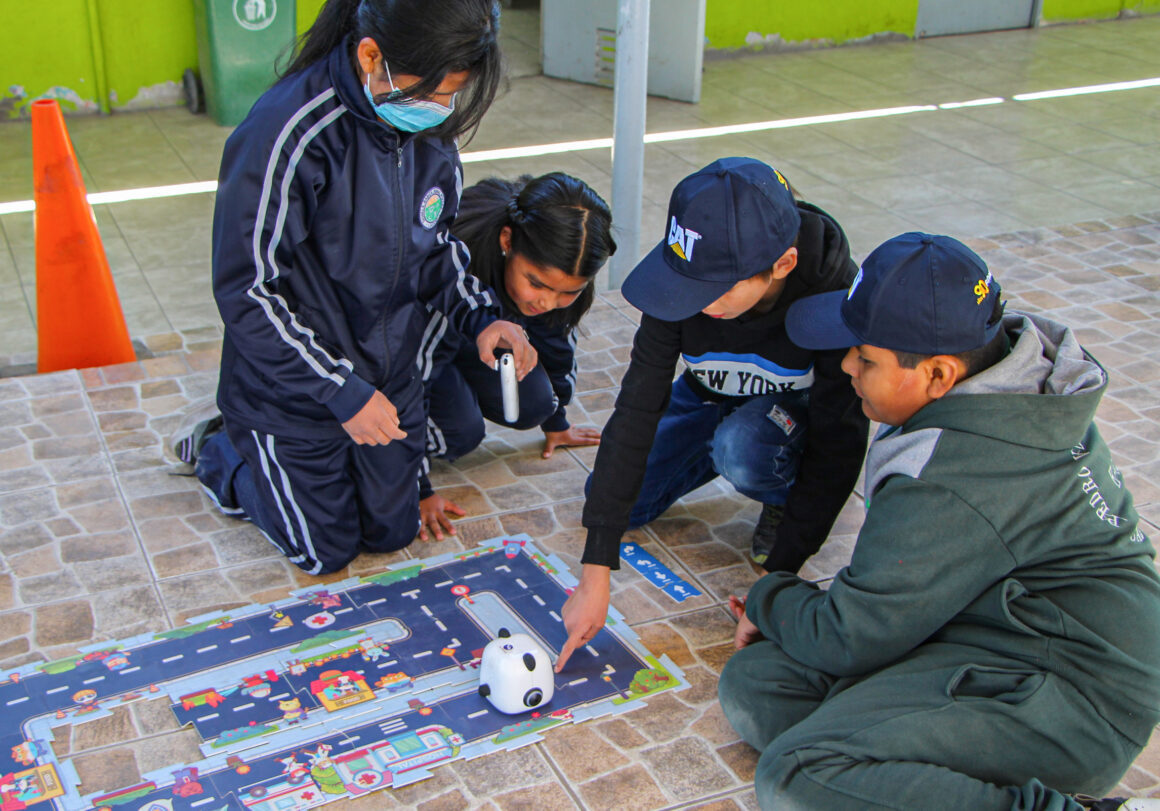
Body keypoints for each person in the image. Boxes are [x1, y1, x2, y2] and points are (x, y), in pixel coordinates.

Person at [719, 232, 1160, 811]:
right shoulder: (1013, 378)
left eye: (866, 358)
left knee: (797, 774)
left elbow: (851, 634)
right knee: (759, 685)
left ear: (938, 375)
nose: (847, 365)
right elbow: (869, 613)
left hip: (1073, 698)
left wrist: (769, 597)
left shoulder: (958, 473)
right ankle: (901, 756)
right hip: (987, 624)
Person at [174, 0, 536, 575]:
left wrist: (483, 317)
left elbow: (437, 244)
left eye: (452, 95)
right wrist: (340, 391)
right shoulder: (287, 132)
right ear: (372, 56)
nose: (441, 110)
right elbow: (248, 288)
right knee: (325, 552)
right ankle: (224, 448)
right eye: (433, 93)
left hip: (386, 382)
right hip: (293, 394)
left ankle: (320, 458)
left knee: (391, 535)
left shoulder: (430, 133)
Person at [557, 157, 870, 670]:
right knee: (614, 504)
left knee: (743, 447)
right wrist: (596, 568)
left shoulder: (831, 293)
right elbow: (637, 406)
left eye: (719, 291)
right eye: (688, 287)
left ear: (783, 265)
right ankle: (719, 441)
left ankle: (779, 497)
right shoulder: (683, 281)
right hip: (710, 396)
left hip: (790, 415)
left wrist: (780, 576)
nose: (698, 304)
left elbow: (842, 438)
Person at [416, 172, 617, 541]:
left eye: (567, 292)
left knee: (536, 403)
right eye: (536, 283)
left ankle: (464, 384)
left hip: (477, 338)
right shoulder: (451, 259)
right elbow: (405, 371)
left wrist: (557, 421)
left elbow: (556, 348)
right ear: (507, 241)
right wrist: (416, 489)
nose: (547, 302)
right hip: (422, 344)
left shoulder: (560, 283)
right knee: (460, 433)